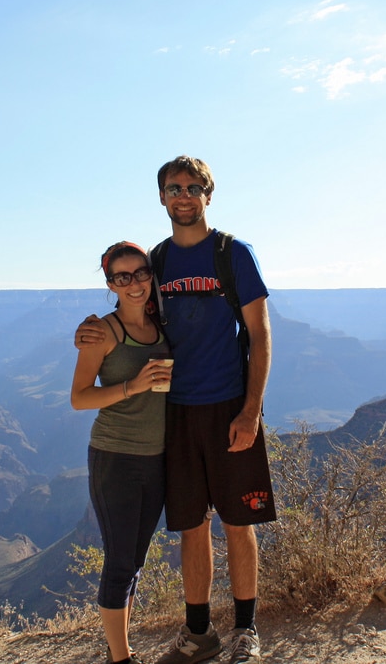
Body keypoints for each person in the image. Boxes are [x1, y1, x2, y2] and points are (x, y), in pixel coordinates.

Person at [76, 156, 275, 664]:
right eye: (173, 188)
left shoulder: (233, 254)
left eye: (192, 187)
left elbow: (259, 334)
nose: (182, 195)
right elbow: (132, 307)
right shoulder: (159, 260)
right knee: (190, 524)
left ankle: (246, 631)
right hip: (176, 414)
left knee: (237, 522)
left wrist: (251, 411)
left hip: (230, 405)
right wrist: (91, 330)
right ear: (162, 198)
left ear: (208, 194)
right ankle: (199, 632)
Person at [70, 241, 174, 664]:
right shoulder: (102, 333)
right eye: (122, 277)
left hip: (157, 458)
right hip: (115, 457)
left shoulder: (160, 322)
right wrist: (134, 385)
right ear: (110, 284)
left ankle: (124, 648)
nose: (134, 284)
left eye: (141, 273)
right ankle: (120, 658)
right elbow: (79, 397)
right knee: (118, 562)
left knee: (134, 562)